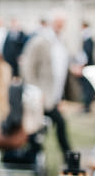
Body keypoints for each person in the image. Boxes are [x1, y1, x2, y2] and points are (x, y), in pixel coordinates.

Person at [19, 12, 72, 159]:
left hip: (53, 96)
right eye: (59, 23)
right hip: (40, 96)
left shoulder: (60, 42)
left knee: (52, 126)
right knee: (52, 125)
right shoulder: (40, 41)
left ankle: (38, 154)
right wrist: (35, 93)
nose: (61, 26)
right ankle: (64, 154)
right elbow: (28, 68)